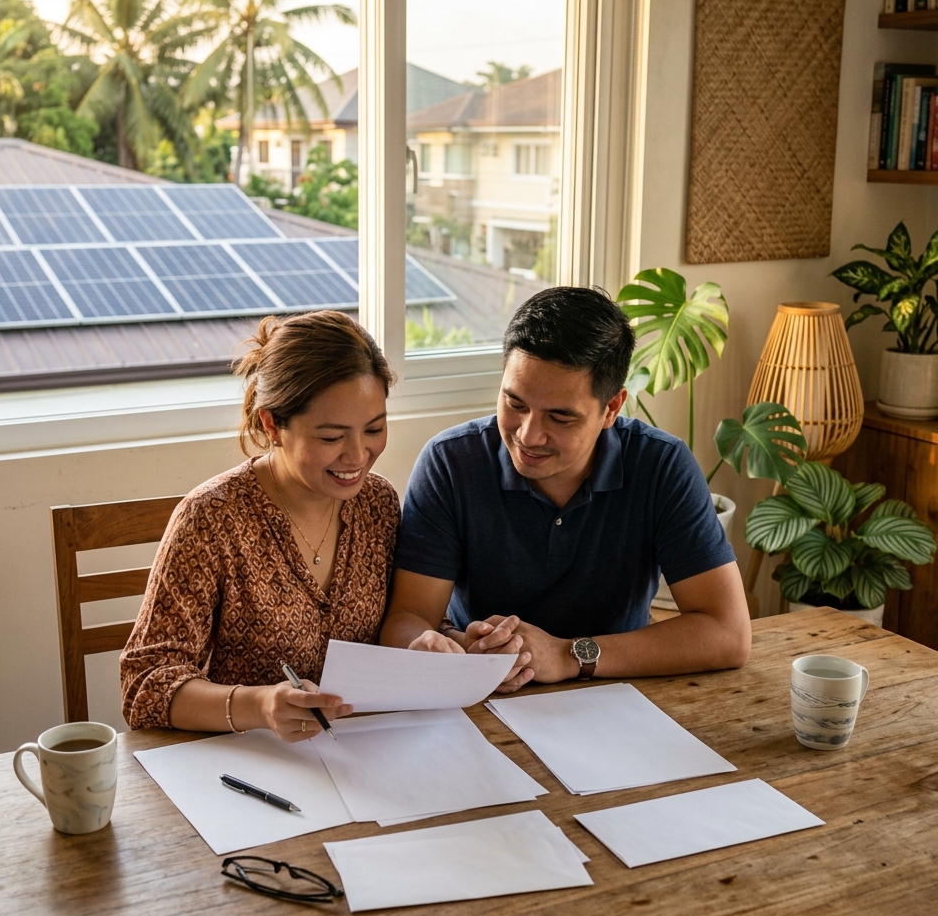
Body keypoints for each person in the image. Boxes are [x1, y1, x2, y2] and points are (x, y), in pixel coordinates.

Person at [380, 286, 751, 691]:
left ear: (611, 409)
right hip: (482, 696)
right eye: (515, 403)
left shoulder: (661, 465)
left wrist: (567, 655)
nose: (528, 435)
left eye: (560, 417)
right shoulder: (450, 462)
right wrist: (443, 646)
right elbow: (406, 620)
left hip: (617, 692)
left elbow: (728, 634)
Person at [121, 310, 400, 740]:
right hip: (249, 764)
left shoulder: (378, 504)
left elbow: (401, 626)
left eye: (375, 429)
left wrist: (448, 639)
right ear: (272, 424)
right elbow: (145, 684)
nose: (358, 455)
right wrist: (259, 705)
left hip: (365, 754)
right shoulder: (212, 518)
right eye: (331, 437)